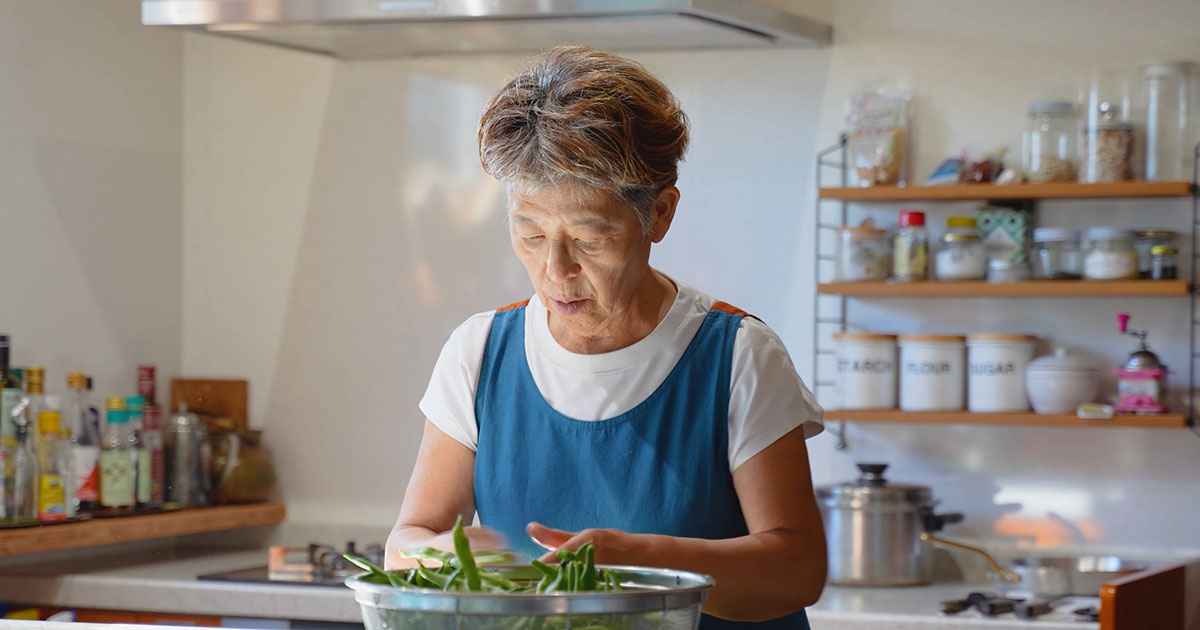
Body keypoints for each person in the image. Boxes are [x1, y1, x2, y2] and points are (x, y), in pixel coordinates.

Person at [387, 45, 826, 629]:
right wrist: (450, 557)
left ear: (660, 214)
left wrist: (641, 564)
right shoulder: (479, 352)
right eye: (530, 235)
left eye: (589, 240)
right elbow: (407, 542)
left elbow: (798, 570)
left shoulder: (738, 356)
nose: (555, 270)